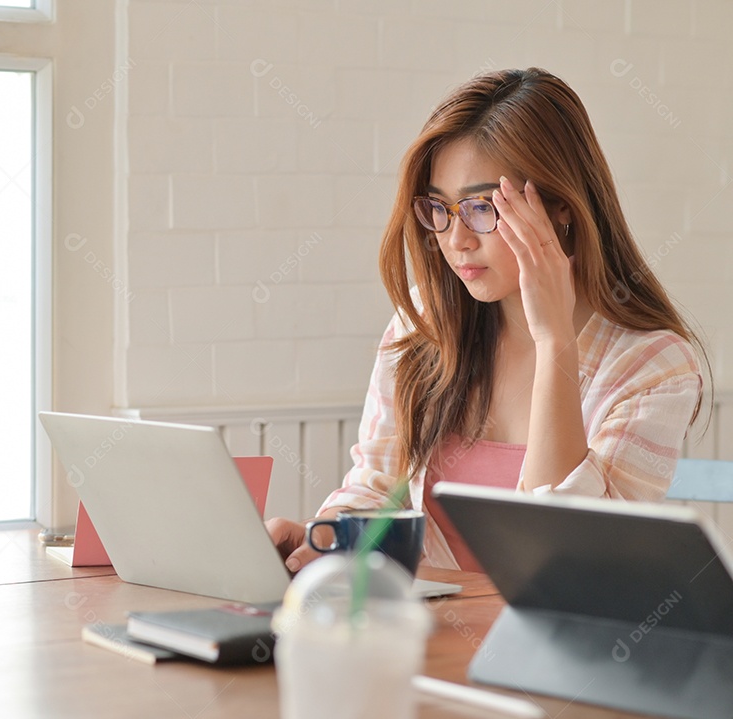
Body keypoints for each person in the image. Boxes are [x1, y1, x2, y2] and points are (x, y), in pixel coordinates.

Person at [268, 67, 707, 574]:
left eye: (480, 207)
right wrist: (323, 544)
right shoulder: (425, 323)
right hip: (430, 639)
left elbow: (567, 563)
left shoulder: (652, 367)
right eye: (440, 208)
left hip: (561, 645)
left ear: (561, 206)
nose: (455, 240)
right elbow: (375, 486)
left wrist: (555, 342)